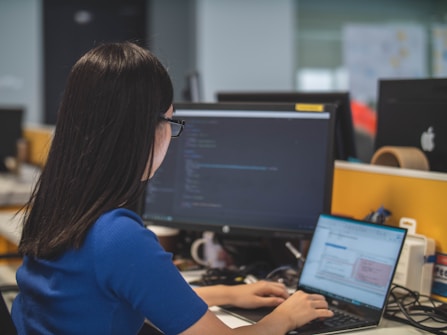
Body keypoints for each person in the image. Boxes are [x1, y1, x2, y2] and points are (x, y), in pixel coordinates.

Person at [11, 41, 333, 335]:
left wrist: (228, 293)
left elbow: (133, 288)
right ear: (142, 130)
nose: (171, 135)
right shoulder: (119, 238)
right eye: (170, 121)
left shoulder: (57, 207)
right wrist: (286, 317)